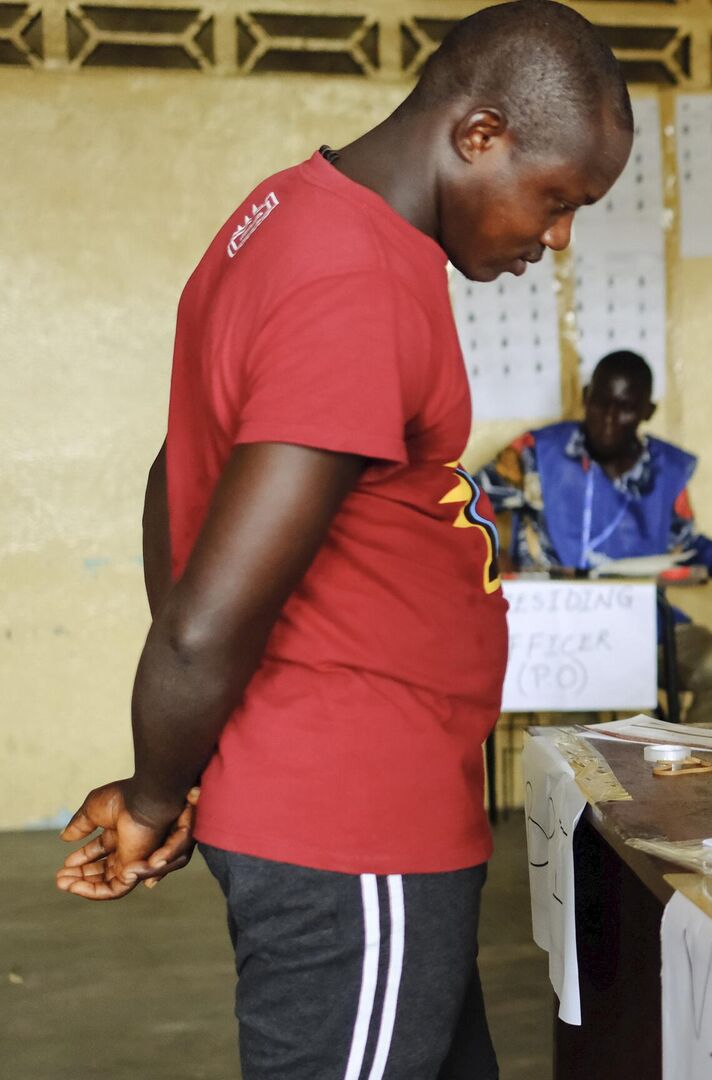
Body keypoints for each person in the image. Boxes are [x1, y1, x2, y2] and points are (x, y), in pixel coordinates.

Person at [53, 3, 632, 1075]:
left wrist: (187, 763)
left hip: (367, 811)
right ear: (478, 135)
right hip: (351, 827)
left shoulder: (288, 215)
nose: (557, 241)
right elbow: (204, 621)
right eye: (557, 201)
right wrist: (153, 789)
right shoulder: (354, 276)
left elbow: (173, 476)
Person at [478, 349, 712, 726]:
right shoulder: (536, 454)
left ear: (646, 413)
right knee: (575, 719)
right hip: (560, 633)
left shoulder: (664, 472)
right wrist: (498, 562)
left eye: (624, 408)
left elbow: (687, 548)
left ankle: (688, 771)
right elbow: (470, 509)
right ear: (586, 397)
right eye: (600, 403)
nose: (607, 419)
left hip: (643, 623)